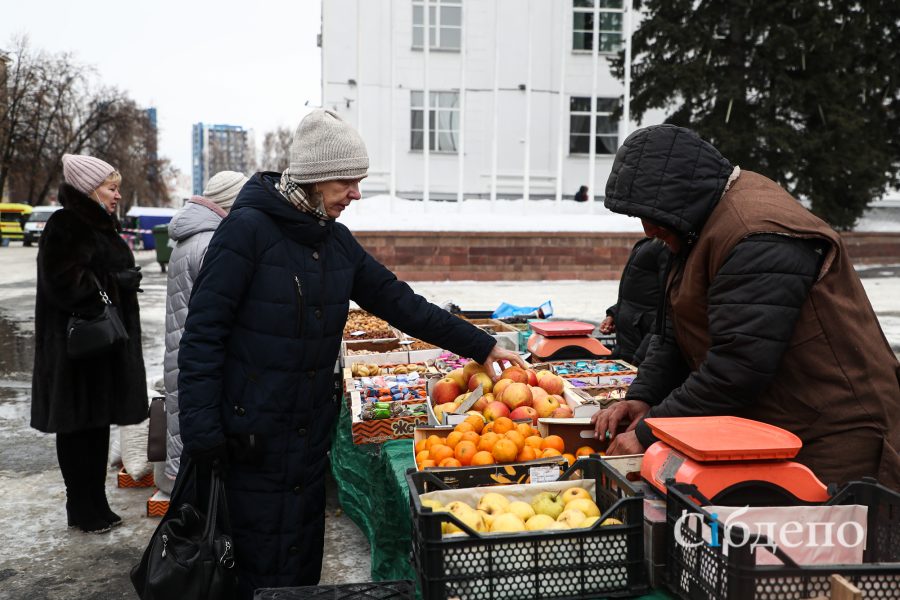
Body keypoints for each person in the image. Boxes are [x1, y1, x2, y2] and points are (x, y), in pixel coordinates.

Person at [177, 109, 525, 596]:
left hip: (307, 437)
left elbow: (400, 302)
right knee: (246, 570)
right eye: (347, 182)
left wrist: (482, 345)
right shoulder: (246, 233)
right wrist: (203, 434)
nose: (356, 194)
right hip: (248, 440)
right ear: (316, 178)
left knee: (297, 566)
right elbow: (202, 337)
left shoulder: (335, 242)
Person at [592, 124, 900, 491]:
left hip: (835, 438)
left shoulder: (754, 233)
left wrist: (650, 430)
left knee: (834, 545)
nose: (648, 230)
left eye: (652, 216)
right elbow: (673, 330)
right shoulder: (695, 224)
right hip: (782, 429)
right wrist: (643, 396)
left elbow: (737, 367)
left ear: (680, 199)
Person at [31, 154, 147, 533]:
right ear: (89, 188)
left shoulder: (99, 225)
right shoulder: (67, 224)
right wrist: (118, 282)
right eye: (112, 188)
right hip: (76, 352)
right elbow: (65, 283)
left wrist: (118, 279)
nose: (117, 195)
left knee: (96, 427)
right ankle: (79, 506)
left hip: (100, 350)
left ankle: (95, 502)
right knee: (77, 429)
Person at [157, 170, 249, 495]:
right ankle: (196, 505)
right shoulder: (211, 243)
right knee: (197, 433)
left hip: (181, 352)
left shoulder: (190, 238)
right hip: (200, 360)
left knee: (183, 423)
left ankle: (183, 489)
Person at [599, 237, 669, 365]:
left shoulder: (665, 247)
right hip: (627, 343)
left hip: (642, 346)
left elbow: (668, 302)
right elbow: (634, 295)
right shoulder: (646, 243)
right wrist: (614, 314)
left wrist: (643, 353)